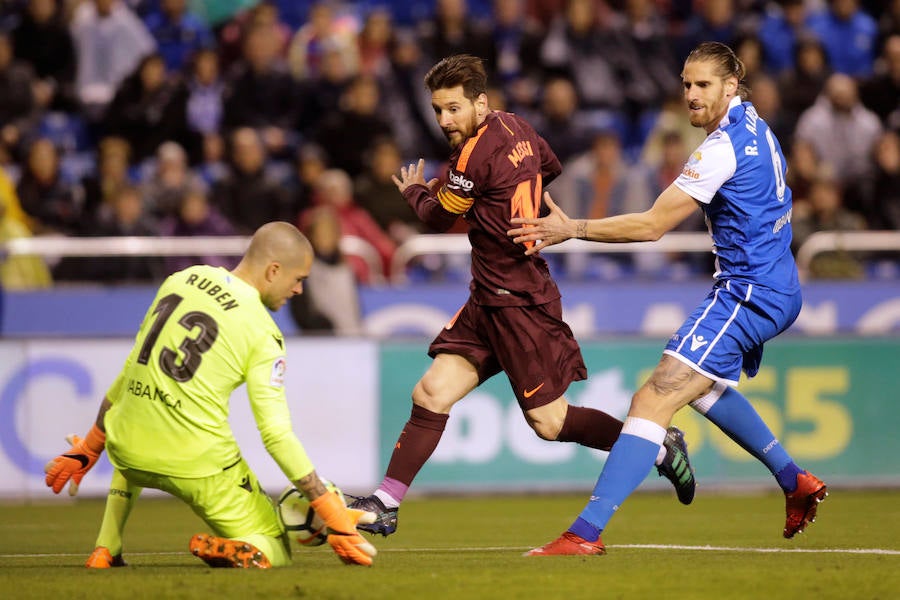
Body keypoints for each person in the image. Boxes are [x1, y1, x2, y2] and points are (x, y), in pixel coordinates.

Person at [347, 54, 696, 537]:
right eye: (438, 110)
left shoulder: (471, 156)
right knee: (430, 392)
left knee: (549, 423)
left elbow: (437, 217)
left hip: (517, 301)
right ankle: (386, 503)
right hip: (487, 298)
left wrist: (414, 191)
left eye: (453, 108)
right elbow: (548, 166)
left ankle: (655, 444)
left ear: (480, 103)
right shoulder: (518, 127)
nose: (444, 120)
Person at [507, 41, 828, 556]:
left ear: (731, 85)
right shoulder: (757, 127)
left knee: (654, 397)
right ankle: (796, 482)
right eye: (686, 84)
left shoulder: (721, 149)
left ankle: (584, 534)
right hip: (774, 283)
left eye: (703, 85)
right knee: (699, 387)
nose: (692, 94)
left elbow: (653, 225)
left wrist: (573, 228)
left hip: (750, 291)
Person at [44, 221, 377, 569]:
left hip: (127, 451)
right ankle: (238, 548)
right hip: (196, 464)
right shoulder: (264, 334)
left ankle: (106, 548)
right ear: (273, 270)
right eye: (298, 279)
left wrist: (91, 446)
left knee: (138, 420)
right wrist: (329, 509)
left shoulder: (181, 280)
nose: (298, 290)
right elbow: (276, 435)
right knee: (274, 546)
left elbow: (130, 373)